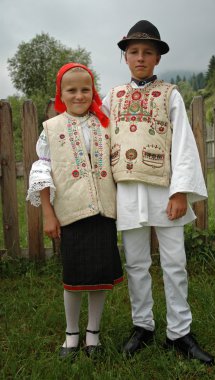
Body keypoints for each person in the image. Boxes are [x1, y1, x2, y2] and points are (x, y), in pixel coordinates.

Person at [102, 20, 215, 365]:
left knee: (174, 263)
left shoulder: (171, 95)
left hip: (165, 193)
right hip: (127, 193)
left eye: (147, 52)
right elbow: (100, 139)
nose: (140, 58)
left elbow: (182, 145)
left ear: (157, 58)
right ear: (125, 56)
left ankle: (179, 331)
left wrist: (180, 193)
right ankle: (143, 326)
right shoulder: (113, 97)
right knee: (136, 262)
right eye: (133, 52)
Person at [27, 63, 123, 359]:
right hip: (71, 212)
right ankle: (72, 332)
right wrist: (48, 212)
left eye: (86, 89)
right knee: (74, 277)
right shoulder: (51, 129)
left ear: (93, 91)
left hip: (103, 212)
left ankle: (93, 332)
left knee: (99, 276)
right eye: (72, 90)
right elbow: (42, 169)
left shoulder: (105, 123)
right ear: (61, 94)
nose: (79, 95)